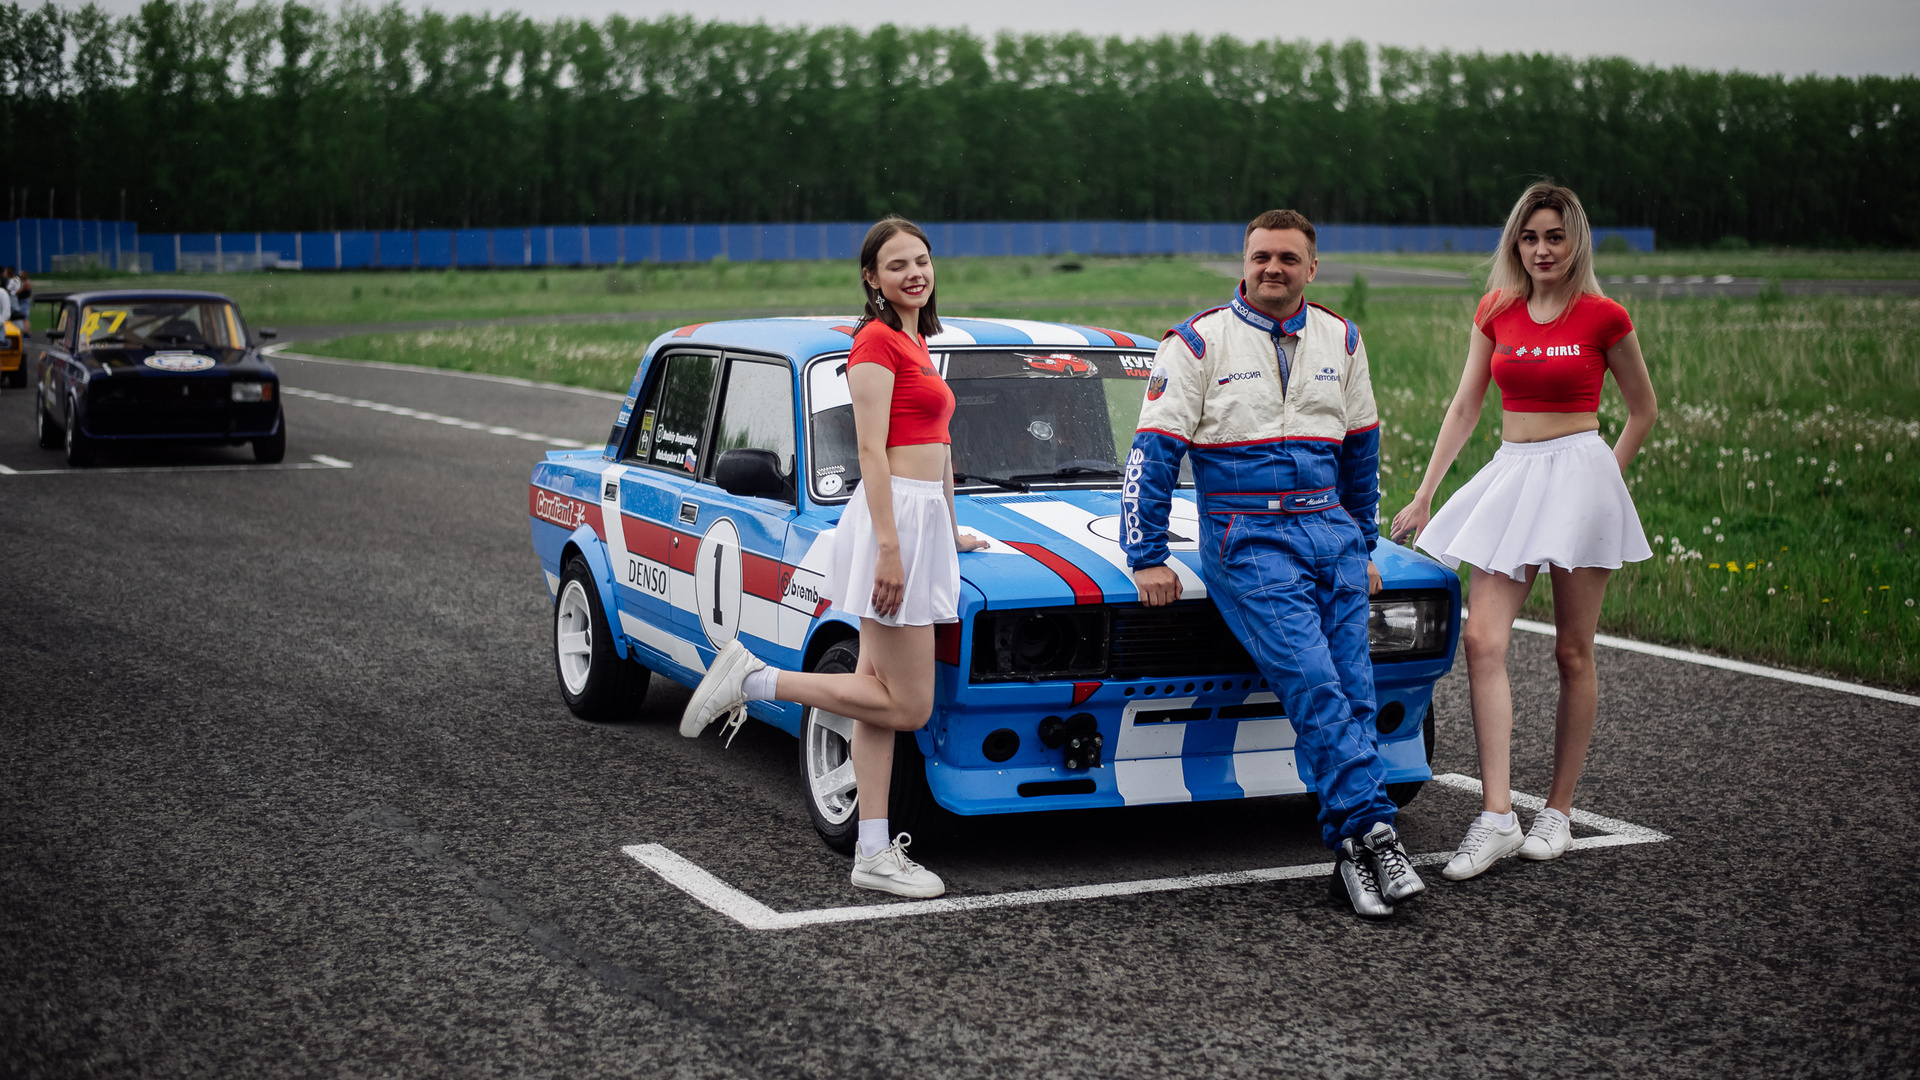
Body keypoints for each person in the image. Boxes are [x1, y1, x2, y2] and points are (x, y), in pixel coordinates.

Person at [1124, 209, 1423, 920]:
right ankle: (1378, 830)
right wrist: (1146, 554)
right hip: (1246, 534)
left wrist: (1365, 546)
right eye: (1261, 256)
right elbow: (1153, 455)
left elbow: (1362, 453)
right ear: (1245, 261)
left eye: (1288, 258)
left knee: (1354, 691)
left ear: (1311, 267)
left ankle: (1351, 856)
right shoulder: (1197, 341)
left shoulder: (1343, 338)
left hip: (1331, 530)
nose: (1273, 269)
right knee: (1314, 684)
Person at [679, 216, 988, 898]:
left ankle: (872, 851)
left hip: (921, 522)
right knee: (908, 705)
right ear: (872, 278)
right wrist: (891, 547)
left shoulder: (915, 338)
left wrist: (950, 529)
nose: (914, 273)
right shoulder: (875, 341)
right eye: (897, 265)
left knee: (876, 700)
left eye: (922, 260)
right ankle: (756, 681)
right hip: (892, 520)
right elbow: (871, 450)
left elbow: (938, 447)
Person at [1389, 181, 1657, 882]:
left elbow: (1642, 409)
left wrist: (1603, 483)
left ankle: (1558, 812)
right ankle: (1498, 815)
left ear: (1575, 242)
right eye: (1530, 237)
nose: (1541, 250)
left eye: (1554, 237)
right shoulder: (1496, 309)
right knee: (1482, 639)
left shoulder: (1605, 316)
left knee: (1572, 652)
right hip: (1512, 473)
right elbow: (1465, 406)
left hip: (1580, 474)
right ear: (1516, 243)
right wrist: (1425, 493)